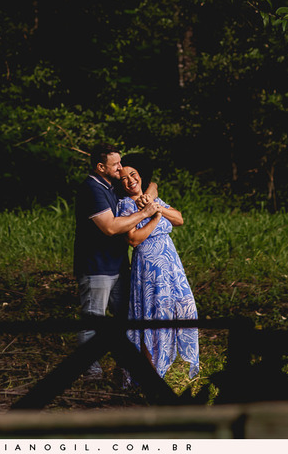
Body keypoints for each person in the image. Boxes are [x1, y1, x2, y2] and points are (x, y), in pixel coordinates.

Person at [73, 144, 159, 379]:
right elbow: (110, 227)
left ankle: (126, 364)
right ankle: (90, 372)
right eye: (116, 164)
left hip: (119, 265)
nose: (121, 168)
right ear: (101, 167)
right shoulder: (92, 189)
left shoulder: (111, 186)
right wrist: (144, 212)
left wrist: (146, 198)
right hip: (96, 267)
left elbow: (152, 184)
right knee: (93, 319)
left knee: (126, 317)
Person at [116, 155, 199, 383]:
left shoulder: (153, 198)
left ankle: (163, 364)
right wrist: (155, 216)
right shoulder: (125, 205)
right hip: (149, 268)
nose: (130, 180)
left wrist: (157, 206)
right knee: (151, 316)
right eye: (123, 178)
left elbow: (179, 219)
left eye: (133, 174)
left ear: (141, 175)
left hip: (171, 264)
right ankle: (149, 374)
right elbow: (134, 239)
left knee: (186, 308)